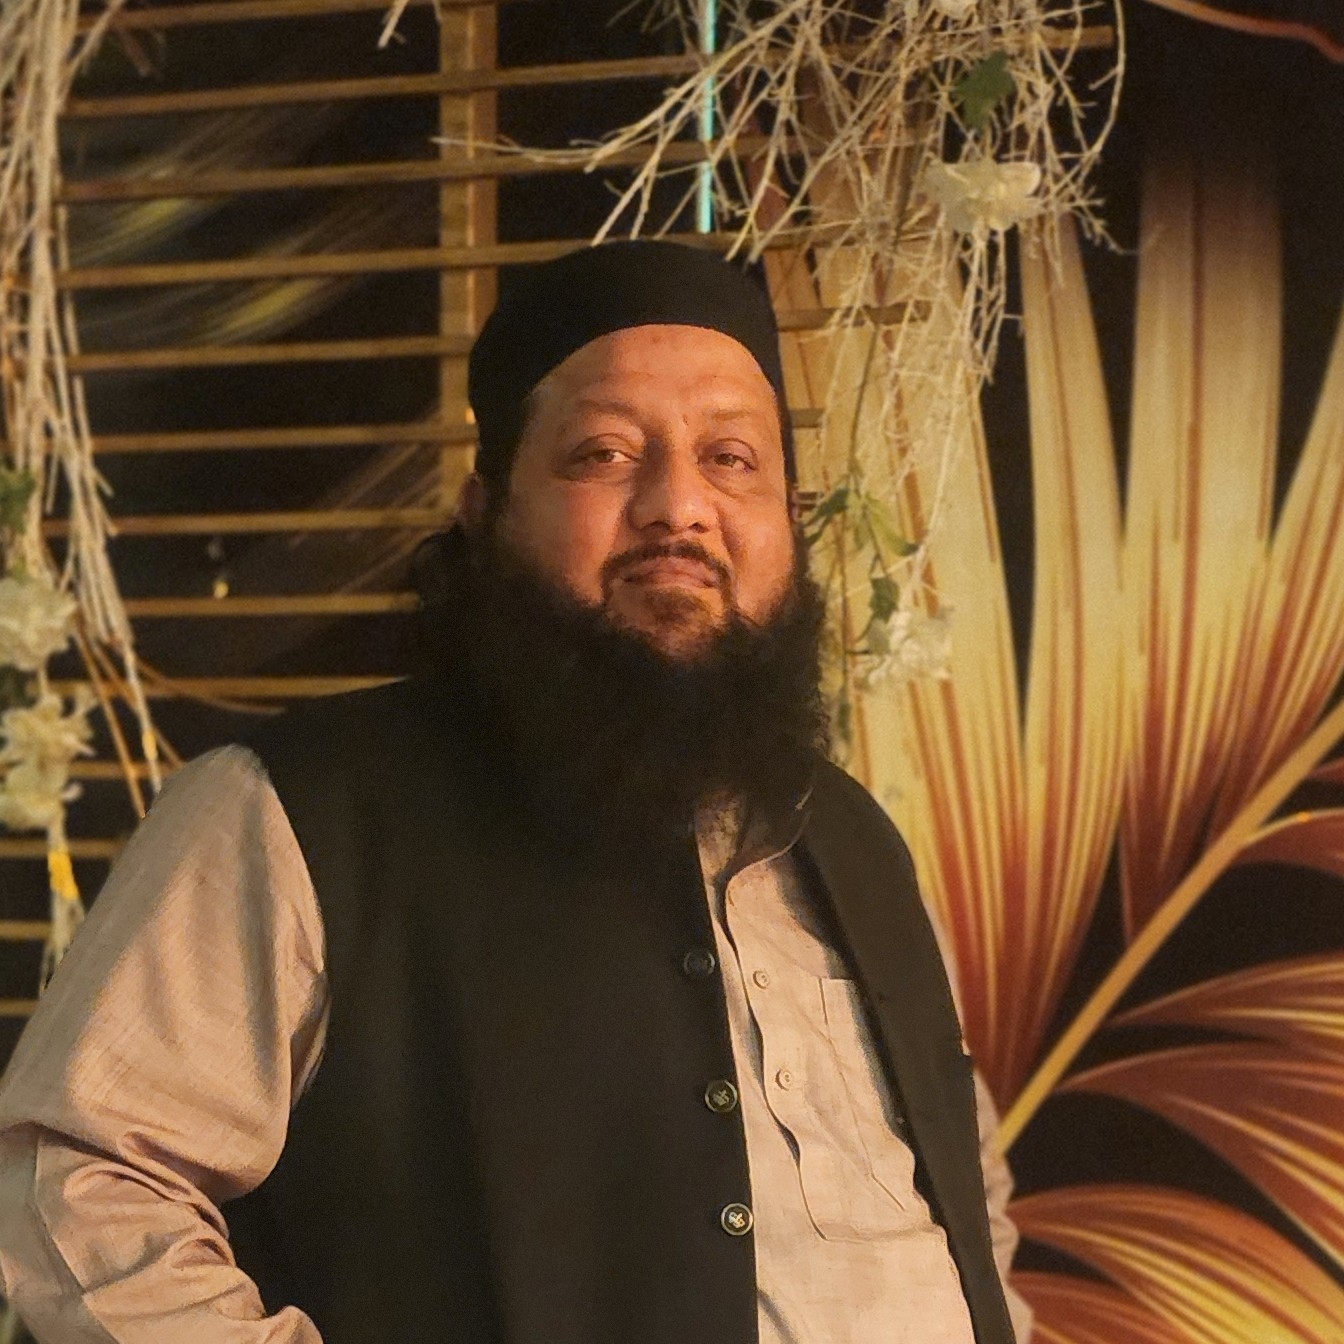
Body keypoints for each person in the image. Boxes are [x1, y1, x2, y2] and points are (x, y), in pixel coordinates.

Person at [0, 241, 1030, 1344]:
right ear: (484, 509)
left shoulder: (855, 838)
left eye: (732, 458)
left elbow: (969, 1204)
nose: (678, 506)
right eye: (604, 453)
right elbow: (77, 1182)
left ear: (788, 516)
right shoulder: (304, 811)